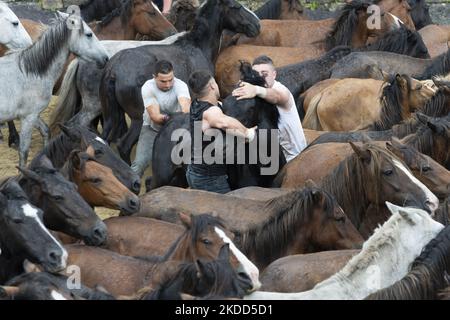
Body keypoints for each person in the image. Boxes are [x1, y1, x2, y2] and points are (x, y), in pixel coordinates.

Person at [186, 70, 257, 194]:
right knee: (227, 210)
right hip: (209, 178)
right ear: (213, 85)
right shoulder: (210, 112)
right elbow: (224, 123)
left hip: (195, 171)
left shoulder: (196, 104)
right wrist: (248, 133)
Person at [232, 55, 307, 162]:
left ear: (274, 74)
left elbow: (277, 96)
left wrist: (256, 89)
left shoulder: (280, 89)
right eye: (257, 75)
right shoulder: (253, 94)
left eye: (265, 74)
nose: (261, 78)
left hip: (293, 158)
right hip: (270, 158)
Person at [131, 60, 191, 177]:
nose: (168, 85)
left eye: (170, 80)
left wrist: (182, 114)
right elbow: (156, 117)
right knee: (138, 164)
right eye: (163, 81)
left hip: (175, 131)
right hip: (152, 129)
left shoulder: (181, 85)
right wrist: (175, 116)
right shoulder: (148, 87)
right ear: (154, 77)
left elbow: (186, 110)